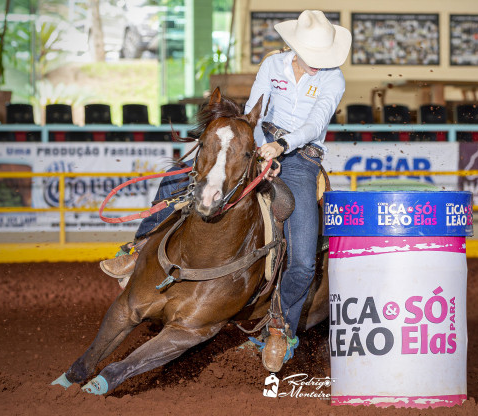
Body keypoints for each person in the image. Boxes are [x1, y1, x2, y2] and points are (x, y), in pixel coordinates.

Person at [101, 10, 352, 373]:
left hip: (300, 158)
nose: (317, 65)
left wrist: (281, 148)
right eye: (312, 58)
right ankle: (138, 247)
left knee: (302, 260)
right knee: (179, 175)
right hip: (256, 144)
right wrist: (255, 148)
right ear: (295, 48)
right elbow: (254, 110)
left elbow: (317, 122)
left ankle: (281, 327)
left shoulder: (333, 80)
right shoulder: (273, 66)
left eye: (321, 60)